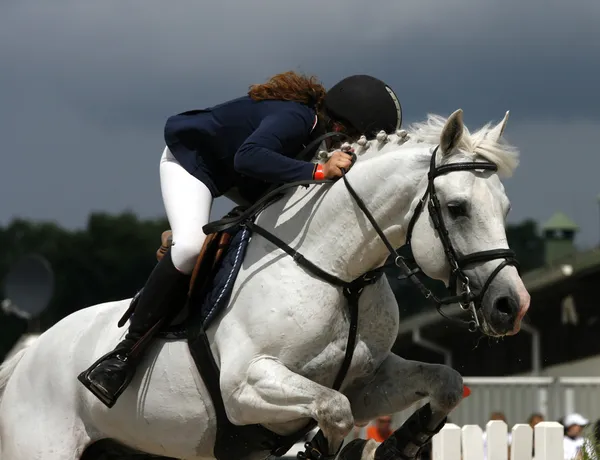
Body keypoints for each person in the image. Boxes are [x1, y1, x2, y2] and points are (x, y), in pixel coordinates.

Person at [78, 70, 403, 407]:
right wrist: (319, 171)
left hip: (241, 178)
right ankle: (123, 355)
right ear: (340, 125)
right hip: (194, 164)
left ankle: (197, 236)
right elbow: (248, 157)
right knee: (190, 248)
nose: (348, 148)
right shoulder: (297, 118)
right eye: (351, 137)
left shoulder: (316, 136)